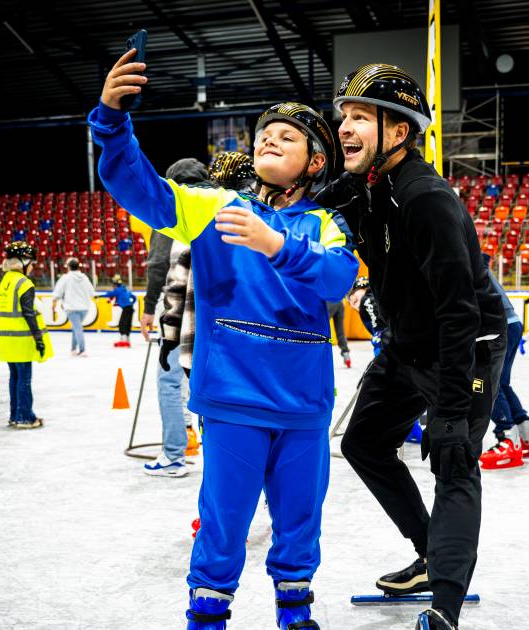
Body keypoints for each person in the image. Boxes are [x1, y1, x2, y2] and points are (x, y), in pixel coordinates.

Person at [91, 48, 357, 630]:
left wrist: (275, 244)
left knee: (299, 520)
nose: (269, 140)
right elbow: (139, 188)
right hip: (234, 401)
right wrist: (111, 120)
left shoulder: (328, 221)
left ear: (315, 162)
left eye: (288, 137)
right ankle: (206, 619)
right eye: (266, 133)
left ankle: (295, 615)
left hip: (305, 405)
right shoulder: (214, 205)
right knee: (224, 520)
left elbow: (341, 278)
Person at [317, 62, 506, 630]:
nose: (344, 127)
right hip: (408, 341)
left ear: (399, 132)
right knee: (365, 443)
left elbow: (460, 309)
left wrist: (450, 412)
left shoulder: (426, 198)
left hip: (467, 341)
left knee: (454, 460)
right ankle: (429, 553)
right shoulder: (367, 190)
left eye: (359, 117)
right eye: (342, 116)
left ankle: (443, 606)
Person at [141, 157, 208, 478]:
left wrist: (148, 309)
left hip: (180, 317)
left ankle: (173, 454)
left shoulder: (171, 212)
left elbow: (157, 266)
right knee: (210, 386)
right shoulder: (219, 208)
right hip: (216, 317)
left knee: (169, 381)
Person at [478, 253, 529, 470]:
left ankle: (507, 437)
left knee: (487, 385)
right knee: (502, 383)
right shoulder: (471, 257)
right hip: (511, 323)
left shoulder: (460, 258)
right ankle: (527, 436)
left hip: (496, 326)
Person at [0, 241, 54, 429]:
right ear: (22, 262)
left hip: (6, 340)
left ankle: (16, 415)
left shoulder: (6, 281)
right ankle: (25, 418)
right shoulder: (24, 283)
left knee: (14, 378)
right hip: (21, 340)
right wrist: (38, 338)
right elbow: (29, 313)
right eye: (31, 263)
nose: (32, 268)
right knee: (24, 380)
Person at [52, 257, 95, 356]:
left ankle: (82, 349)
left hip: (71, 308)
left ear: (68, 267)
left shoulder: (66, 278)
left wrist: (53, 304)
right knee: (76, 327)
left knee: (77, 328)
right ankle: (73, 349)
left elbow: (57, 292)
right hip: (84, 308)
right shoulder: (84, 278)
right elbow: (92, 292)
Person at [103, 274, 136, 348]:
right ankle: (127, 340)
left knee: (122, 324)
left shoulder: (118, 290)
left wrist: (98, 296)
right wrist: (131, 303)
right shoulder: (125, 289)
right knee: (127, 324)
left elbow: (110, 294)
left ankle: (124, 340)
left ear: (115, 284)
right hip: (130, 308)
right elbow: (134, 297)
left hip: (126, 308)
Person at [326, 300, 351, 368]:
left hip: (326, 303)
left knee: (321, 331)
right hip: (339, 302)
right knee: (340, 331)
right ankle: (346, 354)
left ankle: (323, 357)